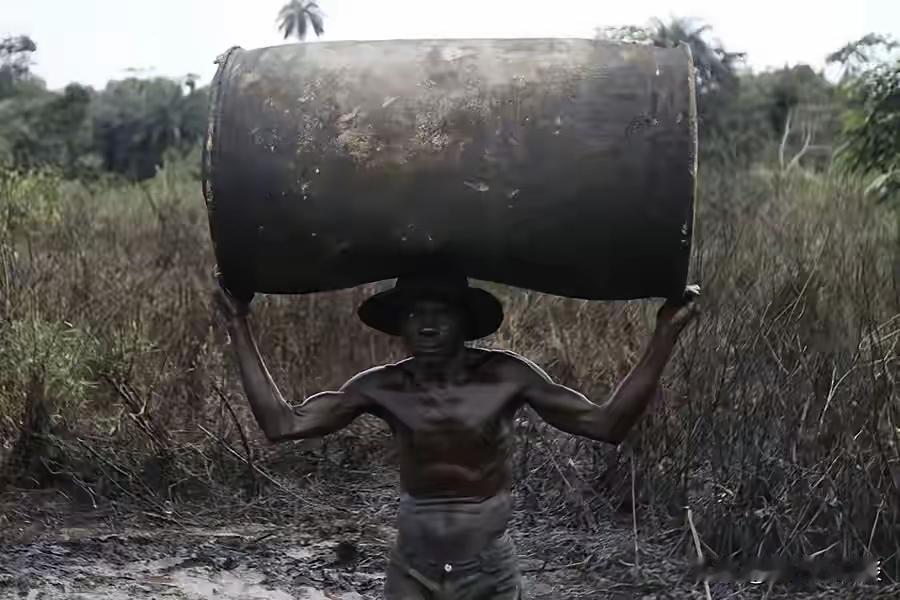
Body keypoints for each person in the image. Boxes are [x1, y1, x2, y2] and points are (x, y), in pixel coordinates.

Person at [214, 267, 700, 600]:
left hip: (487, 570)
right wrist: (238, 324)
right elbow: (284, 424)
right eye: (415, 313)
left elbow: (606, 423)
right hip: (412, 568)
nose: (427, 325)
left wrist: (664, 334)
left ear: (464, 321)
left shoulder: (505, 376)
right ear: (399, 324)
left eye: (441, 312)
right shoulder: (382, 386)